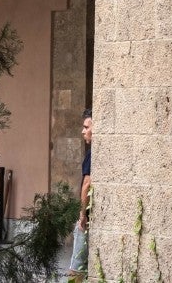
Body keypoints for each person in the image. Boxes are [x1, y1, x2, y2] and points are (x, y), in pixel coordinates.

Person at [66, 110, 93, 282]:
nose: (83, 131)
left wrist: (82, 215)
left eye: (86, 127)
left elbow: (86, 185)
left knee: (77, 266)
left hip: (88, 218)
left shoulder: (92, 154)